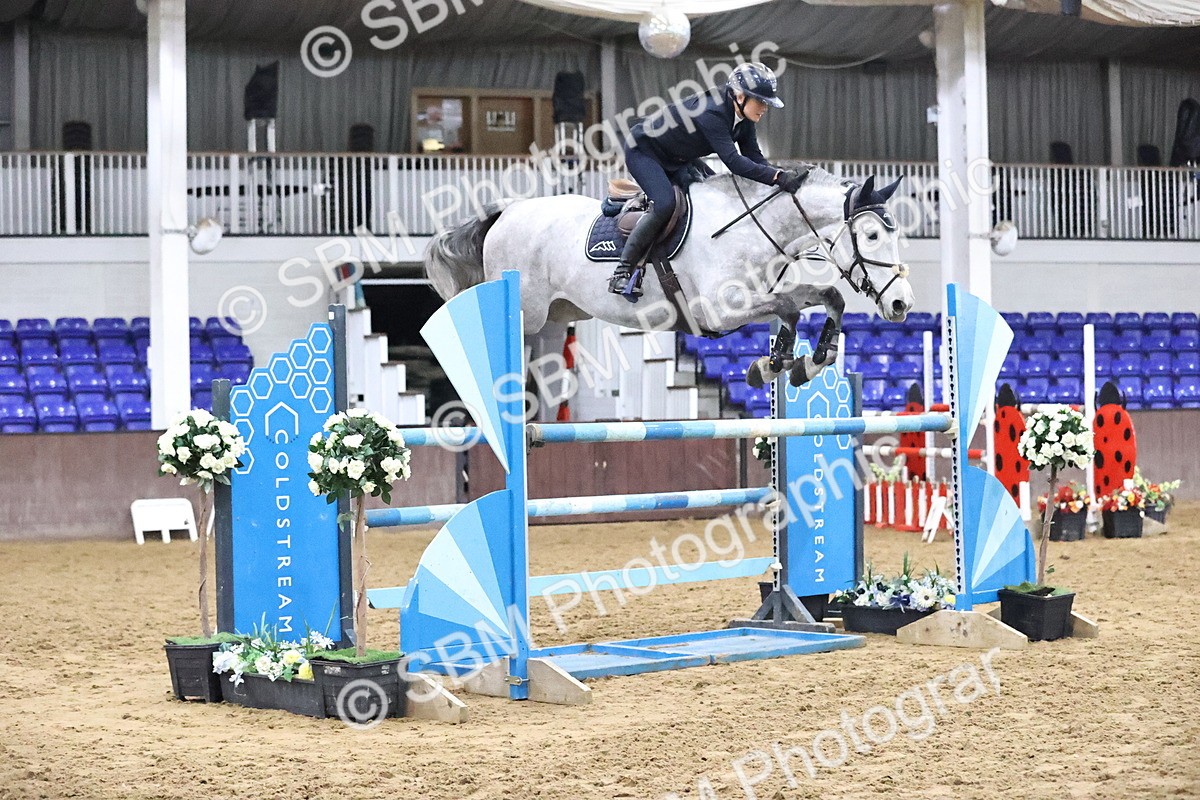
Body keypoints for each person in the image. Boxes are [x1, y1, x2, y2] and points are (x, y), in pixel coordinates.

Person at [608, 62, 809, 298]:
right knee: (665, 204)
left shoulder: (744, 116)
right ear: (740, 96)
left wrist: (780, 176)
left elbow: (754, 157)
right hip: (644, 151)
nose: (765, 108)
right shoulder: (713, 113)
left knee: (715, 194)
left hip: (678, 157)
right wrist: (777, 177)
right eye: (761, 101)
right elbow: (734, 162)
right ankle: (622, 271)